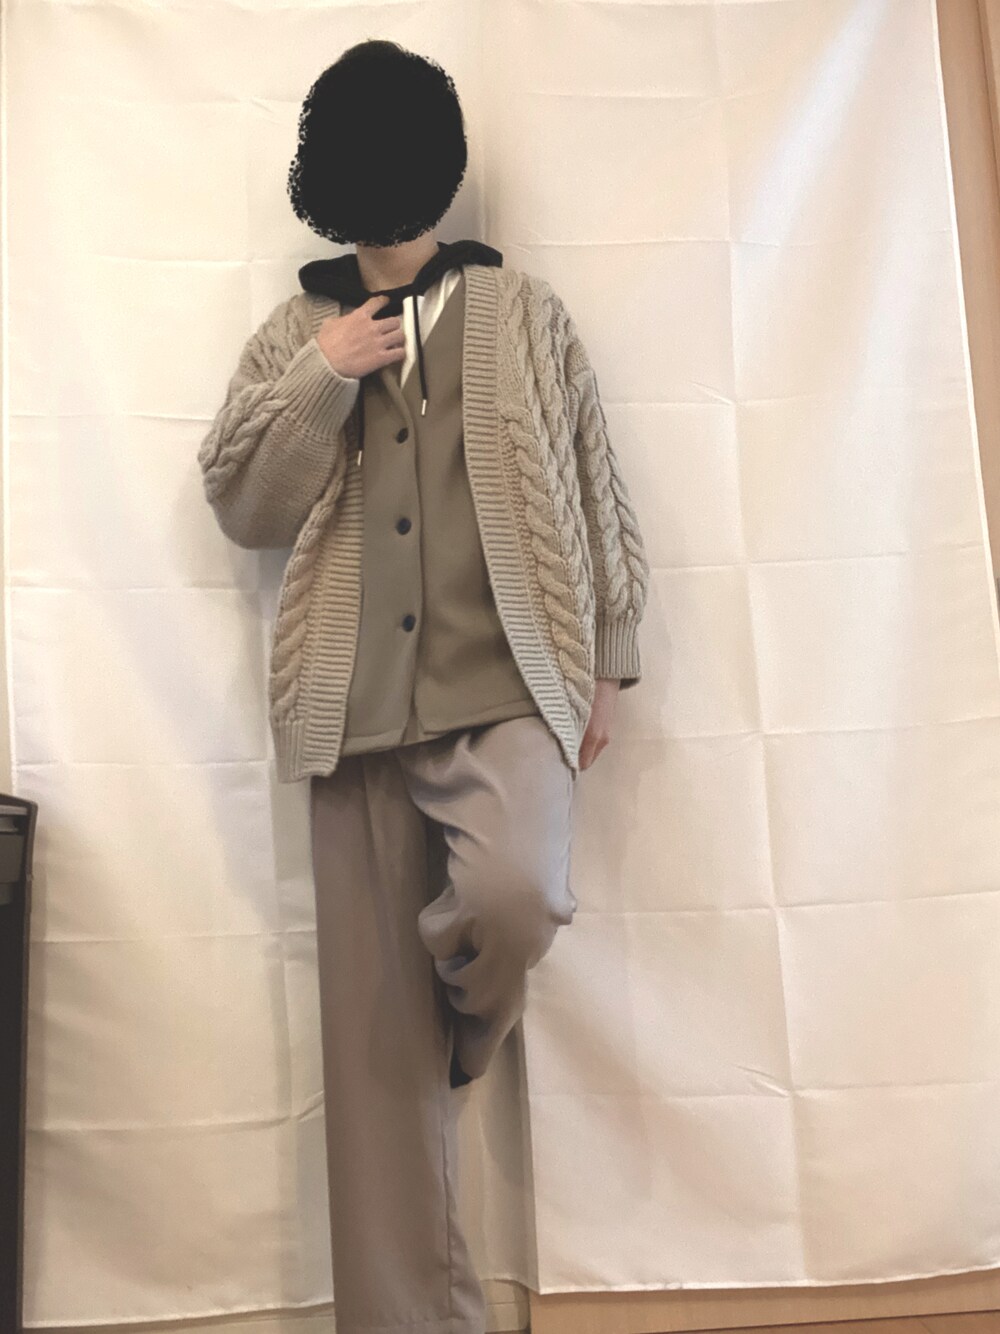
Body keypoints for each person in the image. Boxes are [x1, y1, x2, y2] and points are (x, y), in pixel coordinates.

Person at [197, 37, 650, 1334]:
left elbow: (594, 481)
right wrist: (321, 376)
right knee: (367, 1069)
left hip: (505, 690)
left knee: (517, 894)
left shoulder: (524, 314)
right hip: (350, 717)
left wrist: (606, 659)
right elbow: (241, 504)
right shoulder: (296, 334)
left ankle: (453, 1032)